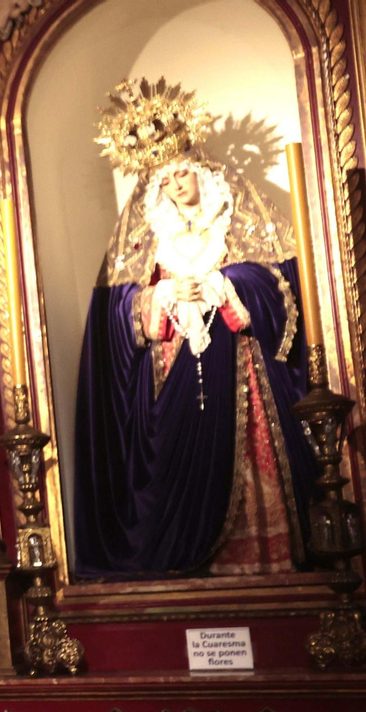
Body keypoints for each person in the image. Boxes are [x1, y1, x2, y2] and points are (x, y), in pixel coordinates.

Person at [73, 77, 315, 577]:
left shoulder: (239, 219)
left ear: (200, 169)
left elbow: (283, 285)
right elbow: (116, 312)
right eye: (165, 180)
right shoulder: (146, 237)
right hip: (173, 371)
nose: (176, 184)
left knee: (251, 459)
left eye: (182, 172)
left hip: (242, 368)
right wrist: (160, 296)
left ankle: (262, 560)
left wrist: (229, 282)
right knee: (183, 462)